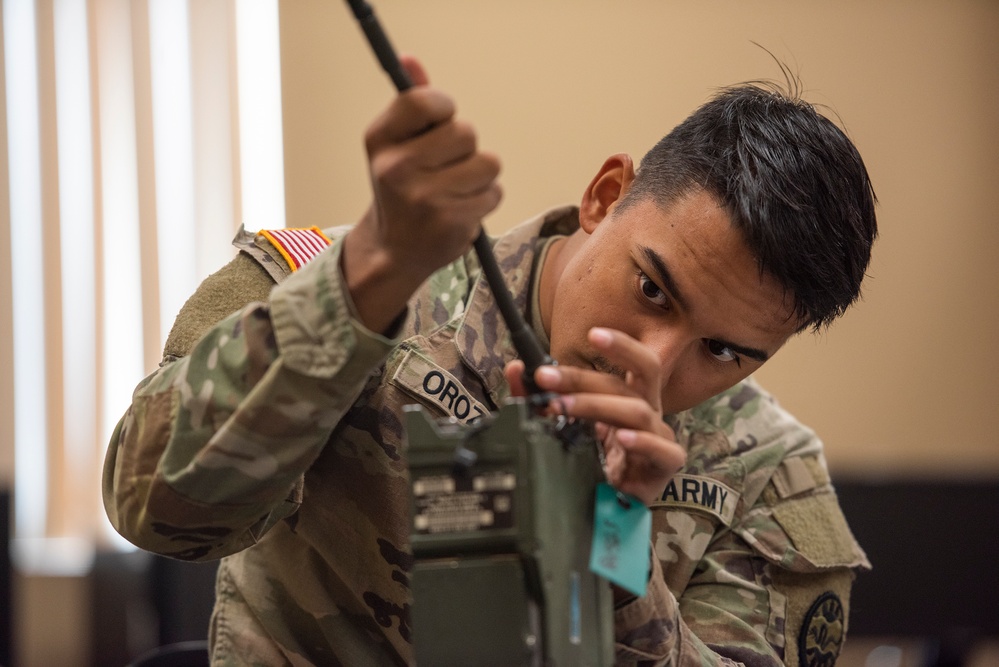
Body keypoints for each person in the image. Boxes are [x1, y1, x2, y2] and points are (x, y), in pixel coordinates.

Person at [103, 55, 876, 666]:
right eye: (651, 288)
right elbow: (157, 512)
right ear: (606, 195)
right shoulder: (356, 290)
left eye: (721, 350)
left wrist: (614, 540)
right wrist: (359, 286)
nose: (656, 362)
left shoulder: (769, 476)